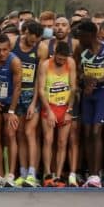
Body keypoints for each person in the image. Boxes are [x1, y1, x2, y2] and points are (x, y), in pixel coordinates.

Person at [76, 20, 104, 188]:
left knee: (96, 131)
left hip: (102, 93)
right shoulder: (80, 49)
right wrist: (84, 79)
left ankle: (96, 174)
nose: (79, 39)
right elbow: (77, 70)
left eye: (82, 36)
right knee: (87, 133)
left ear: (91, 35)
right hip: (87, 94)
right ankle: (92, 173)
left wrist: (97, 81)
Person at [36, 41, 76, 186]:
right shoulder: (45, 65)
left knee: (62, 143)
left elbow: (73, 87)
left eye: (64, 59)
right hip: (50, 106)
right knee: (48, 140)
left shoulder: (70, 63)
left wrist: (69, 110)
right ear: (54, 54)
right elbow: (41, 90)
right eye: (59, 58)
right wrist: (48, 110)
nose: (61, 61)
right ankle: (47, 174)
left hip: (64, 107)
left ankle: (58, 176)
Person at [0, 33, 22, 187]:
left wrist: (12, 111)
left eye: (5, 50)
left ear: (10, 49)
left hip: (10, 102)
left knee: (10, 135)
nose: (1, 53)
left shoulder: (14, 62)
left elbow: (18, 87)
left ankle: (11, 175)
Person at [11, 21, 42, 187]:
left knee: (30, 133)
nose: (33, 43)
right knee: (20, 134)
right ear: (26, 32)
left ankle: (32, 173)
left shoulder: (41, 49)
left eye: (36, 40)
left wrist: (34, 102)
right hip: (16, 94)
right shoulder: (13, 43)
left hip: (31, 94)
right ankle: (22, 173)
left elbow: (39, 78)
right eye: (31, 39)